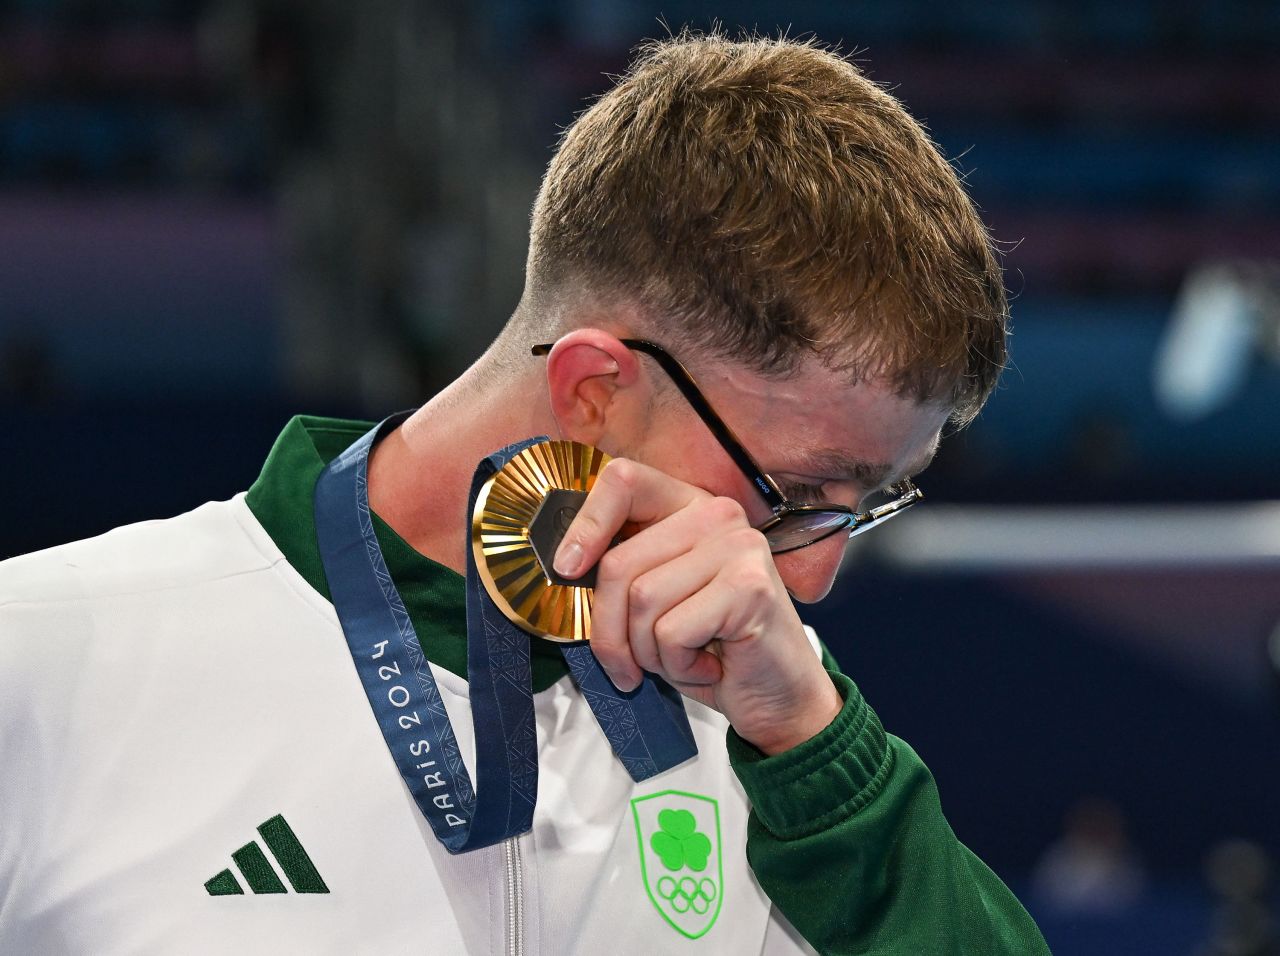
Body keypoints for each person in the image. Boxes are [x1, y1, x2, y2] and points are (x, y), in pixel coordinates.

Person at [0, 32, 1049, 955]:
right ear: (592, 388)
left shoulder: (774, 713)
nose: (811, 578)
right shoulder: (47, 656)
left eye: (865, 503)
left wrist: (822, 756)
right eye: (795, 490)